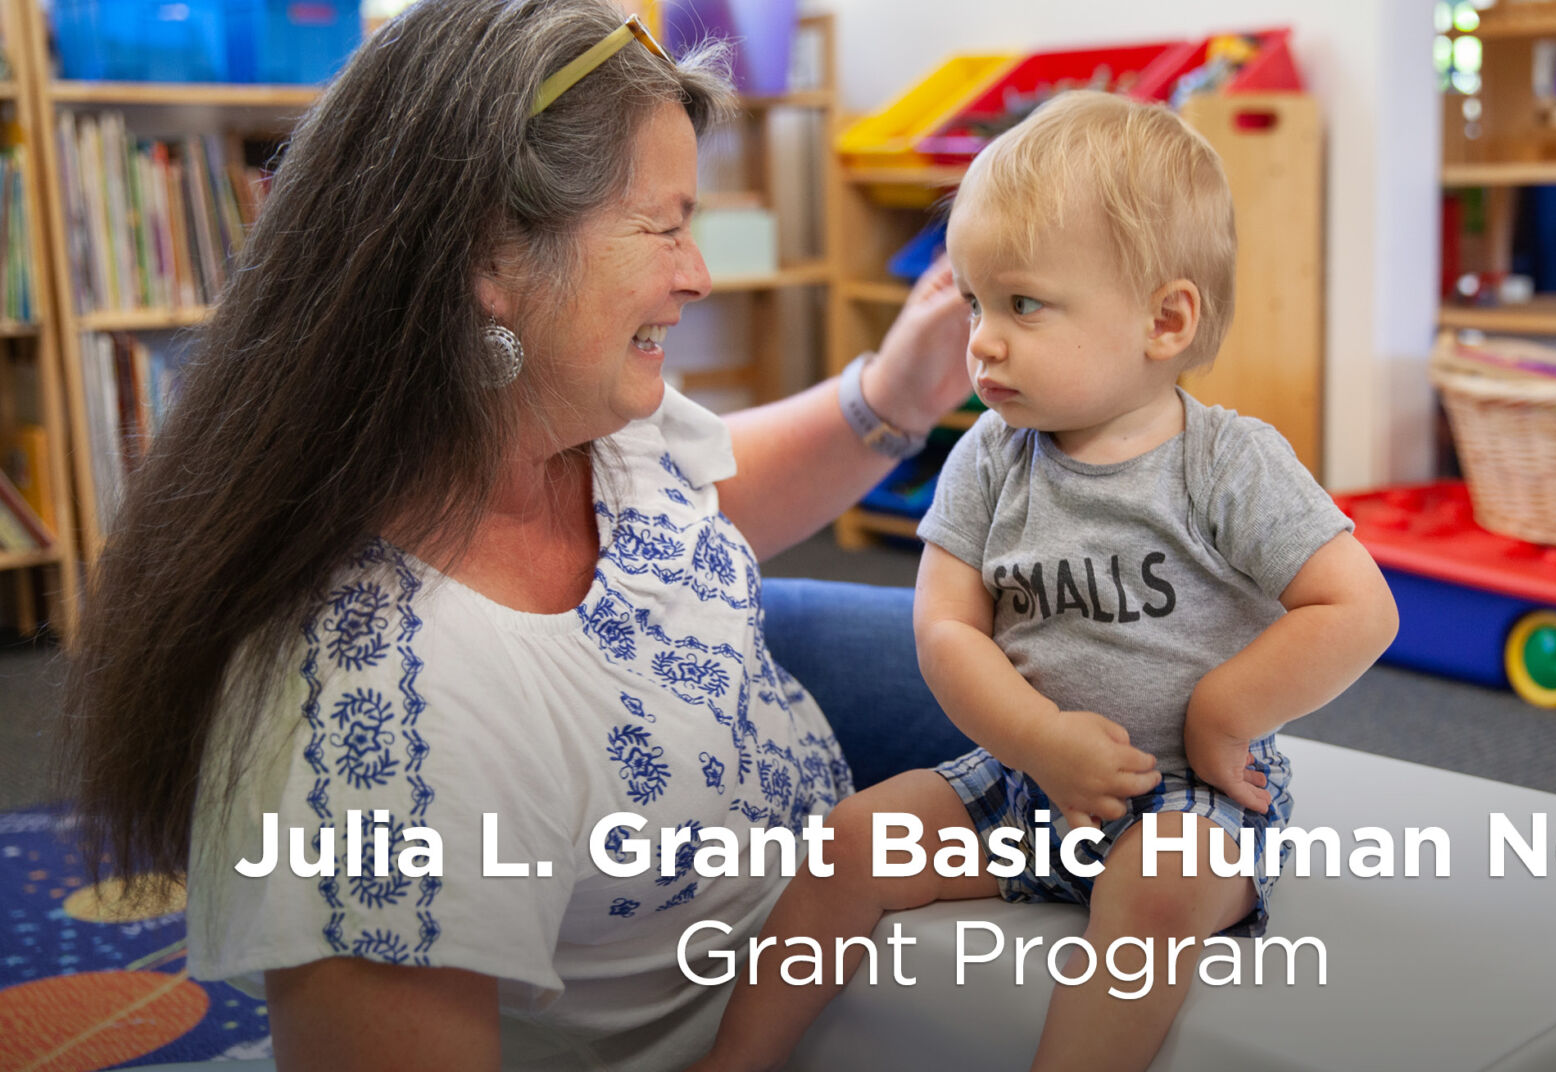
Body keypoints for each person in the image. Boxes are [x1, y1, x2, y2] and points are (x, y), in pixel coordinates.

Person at [56, 1, 971, 1068]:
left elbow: (706, 501)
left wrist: (895, 394)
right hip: (762, 995)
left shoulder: (569, 406)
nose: (698, 275)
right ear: (490, 254)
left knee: (1144, 682)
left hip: (777, 782)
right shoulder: (381, 718)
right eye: (664, 226)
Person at [696, 91, 1400, 1072]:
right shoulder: (988, 457)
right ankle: (732, 1062)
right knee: (854, 838)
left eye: (1020, 304)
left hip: (1188, 800)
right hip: (1024, 782)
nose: (979, 338)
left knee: (1156, 883)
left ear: (1164, 320)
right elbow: (945, 630)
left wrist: (1223, 712)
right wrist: (1038, 741)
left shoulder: (1229, 462)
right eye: (975, 302)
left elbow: (1356, 606)